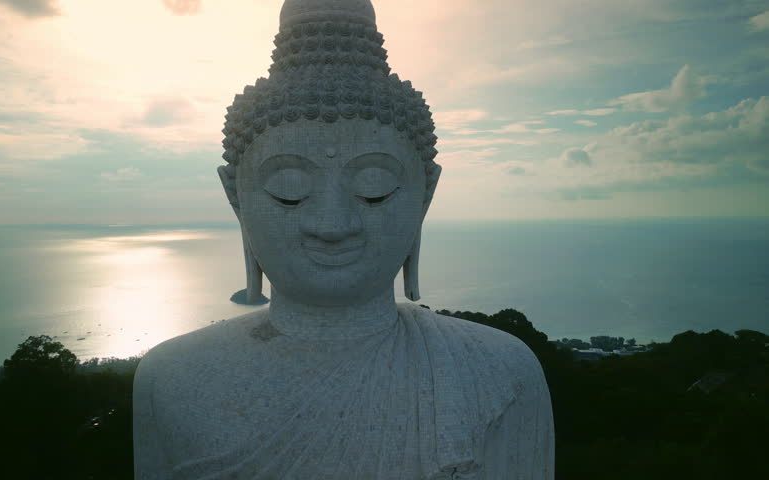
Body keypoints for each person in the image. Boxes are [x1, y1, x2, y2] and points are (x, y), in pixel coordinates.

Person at [134, 1, 554, 478]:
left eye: (374, 189)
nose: (332, 225)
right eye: (287, 193)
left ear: (426, 194)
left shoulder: (498, 373)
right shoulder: (173, 379)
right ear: (236, 197)